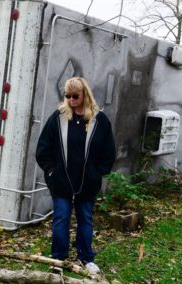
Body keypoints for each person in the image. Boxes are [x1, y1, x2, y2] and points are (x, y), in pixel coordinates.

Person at [36, 77, 116, 274]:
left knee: (85, 220)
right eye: (68, 96)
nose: (71, 99)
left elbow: (109, 152)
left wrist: (97, 173)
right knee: (61, 219)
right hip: (61, 183)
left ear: (84, 95)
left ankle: (86, 258)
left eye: (75, 96)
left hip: (87, 184)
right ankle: (58, 260)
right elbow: (43, 149)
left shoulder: (99, 120)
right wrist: (52, 171)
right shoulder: (58, 117)